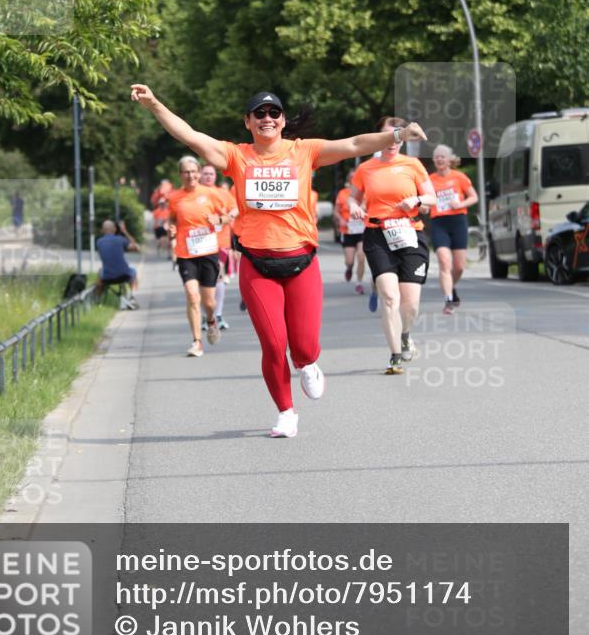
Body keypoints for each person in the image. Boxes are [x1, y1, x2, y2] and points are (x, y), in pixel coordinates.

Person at [131, 84, 427, 436]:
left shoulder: (305, 151)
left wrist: (398, 133)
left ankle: (308, 363)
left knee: (303, 347)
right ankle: (286, 412)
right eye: (259, 113)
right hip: (258, 266)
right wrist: (154, 105)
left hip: (301, 263)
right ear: (248, 122)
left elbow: (354, 145)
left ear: (283, 121)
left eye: (274, 113)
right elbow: (191, 137)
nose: (267, 118)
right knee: (273, 344)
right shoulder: (236, 157)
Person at [350, 117, 437, 375]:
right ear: (380, 139)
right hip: (377, 234)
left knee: (410, 304)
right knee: (389, 296)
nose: (393, 141)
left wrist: (417, 199)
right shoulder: (366, 168)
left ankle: (406, 334)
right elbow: (354, 199)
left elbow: (431, 198)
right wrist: (355, 207)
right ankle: (395, 355)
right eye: (389, 135)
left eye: (399, 136)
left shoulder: (413, 165)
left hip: (410, 233)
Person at [168, 156, 233, 356]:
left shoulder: (211, 194)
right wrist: (171, 229)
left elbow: (230, 214)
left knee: (209, 303)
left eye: (193, 171)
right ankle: (197, 342)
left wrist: (218, 219)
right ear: (180, 175)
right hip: (186, 254)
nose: (191, 175)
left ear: (198, 173)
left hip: (208, 253)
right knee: (192, 296)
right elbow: (173, 220)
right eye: (186, 172)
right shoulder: (175, 198)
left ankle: (211, 319)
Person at [426, 144, 479, 314]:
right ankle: (449, 299)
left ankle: (451, 287)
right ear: (434, 160)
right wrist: (424, 207)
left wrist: (460, 204)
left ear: (449, 160)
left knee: (459, 267)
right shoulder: (429, 180)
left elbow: (474, 197)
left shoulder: (459, 177)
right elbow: (425, 201)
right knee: (444, 262)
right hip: (438, 223)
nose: (440, 159)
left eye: (443, 156)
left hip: (458, 221)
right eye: (437, 157)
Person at [199, 165, 238, 330]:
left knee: (219, 277)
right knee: (204, 281)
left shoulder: (223, 193)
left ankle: (219, 315)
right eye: (205, 174)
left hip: (220, 243)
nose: (208, 176)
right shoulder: (195, 193)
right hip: (199, 243)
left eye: (211, 174)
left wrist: (225, 218)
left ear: (215, 176)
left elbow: (235, 209)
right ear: (200, 175)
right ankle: (205, 316)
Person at [333, 171, 368, 295]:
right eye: (352, 178)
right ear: (349, 180)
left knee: (361, 256)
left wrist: (364, 206)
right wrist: (341, 219)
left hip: (362, 229)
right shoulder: (343, 193)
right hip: (347, 230)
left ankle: (359, 283)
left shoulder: (366, 192)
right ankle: (349, 268)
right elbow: (336, 211)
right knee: (350, 260)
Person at [96, 219, 140, 308]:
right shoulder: (120, 240)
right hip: (124, 275)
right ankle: (131, 296)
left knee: (100, 272)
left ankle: (99, 300)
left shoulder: (99, 242)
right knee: (133, 271)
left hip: (107, 277)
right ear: (115, 229)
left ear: (102, 230)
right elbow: (136, 248)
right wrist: (125, 231)